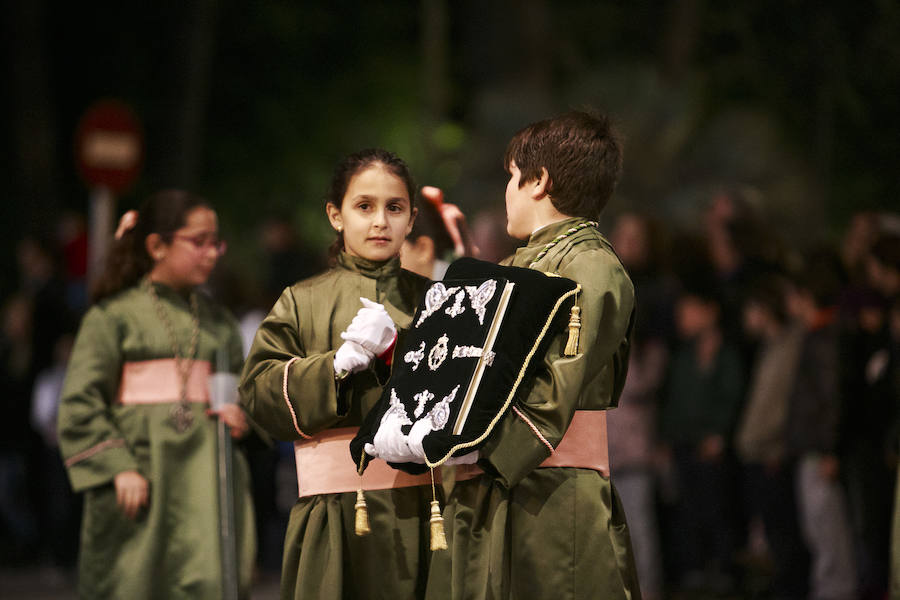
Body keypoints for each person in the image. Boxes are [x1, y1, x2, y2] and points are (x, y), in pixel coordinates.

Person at [425, 111, 641, 599]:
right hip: (497, 477)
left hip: (552, 487)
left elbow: (557, 383)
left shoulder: (590, 264)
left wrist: (483, 447)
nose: (507, 191)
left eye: (512, 177)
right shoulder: (516, 262)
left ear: (539, 181)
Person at [239, 148, 434, 599]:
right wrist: (333, 367)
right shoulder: (301, 301)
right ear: (336, 215)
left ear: (412, 217)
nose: (380, 221)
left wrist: (395, 354)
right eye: (364, 206)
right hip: (334, 513)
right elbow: (257, 392)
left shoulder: (438, 300)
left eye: (395, 208)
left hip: (425, 510)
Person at [57, 190, 256, 599]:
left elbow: (245, 394)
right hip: (139, 476)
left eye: (215, 242)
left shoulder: (219, 324)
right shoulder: (113, 316)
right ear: (156, 245)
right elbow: (80, 403)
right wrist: (117, 466)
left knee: (208, 579)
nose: (211, 253)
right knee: (134, 581)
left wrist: (243, 416)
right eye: (198, 241)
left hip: (206, 480)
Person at [660, 279, 744, 593]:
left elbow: (732, 396)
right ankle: (693, 568)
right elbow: (673, 400)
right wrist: (667, 437)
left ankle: (722, 569)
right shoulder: (683, 355)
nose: (682, 319)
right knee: (687, 510)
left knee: (716, 509)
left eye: (689, 312)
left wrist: (720, 433)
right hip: (683, 443)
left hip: (710, 445)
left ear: (710, 312)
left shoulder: (725, 353)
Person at [785, 250, 857, 600]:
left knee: (828, 531)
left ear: (805, 297)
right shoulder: (819, 334)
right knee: (819, 529)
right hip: (813, 447)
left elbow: (831, 397)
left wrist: (829, 448)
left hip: (819, 450)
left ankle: (836, 590)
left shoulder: (825, 337)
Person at [735, 275, 808, 598]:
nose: (746, 317)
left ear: (765, 309)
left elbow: (783, 404)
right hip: (758, 452)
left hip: (773, 453)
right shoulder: (769, 348)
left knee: (784, 534)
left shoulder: (791, 346)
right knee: (774, 535)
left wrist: (772, 443)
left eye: (751, 309)